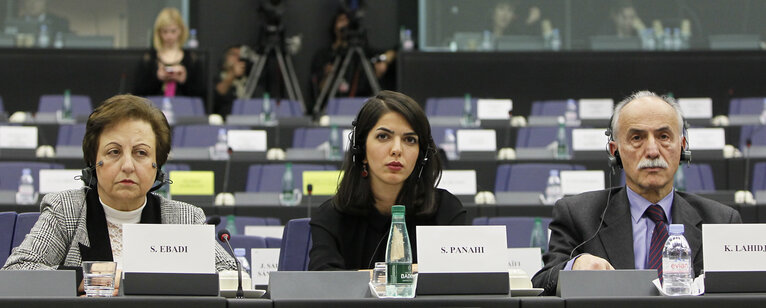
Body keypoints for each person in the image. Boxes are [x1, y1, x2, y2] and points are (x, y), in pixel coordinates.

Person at [2, 95, 236, 292]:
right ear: (95, 161)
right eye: (114, 152)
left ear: (157, 165)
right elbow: (16, 271)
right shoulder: (67, 210)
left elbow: (232, 276)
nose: (128, 165)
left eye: (141, 153)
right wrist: (91, 277)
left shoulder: (184, 218)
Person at [531, 91, 742, 295]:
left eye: (664, 136)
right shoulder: (577, 215)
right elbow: (541, 283)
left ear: (682, 147)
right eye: (637, 138)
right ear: (615, 152)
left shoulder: (720, 221)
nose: (652, 151)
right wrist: (573, 267)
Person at [309, 91, 466, 271]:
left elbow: (457, 279)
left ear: (421, 155)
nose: (397, 150)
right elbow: (322, 284)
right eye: (383, 136)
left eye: (409, 140)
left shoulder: (446, 210)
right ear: (361, 150)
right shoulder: (331, 216)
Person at [310, 9, 396, 111]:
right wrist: (329, 75)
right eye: (341, 21)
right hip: (332, 109)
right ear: (334, 25)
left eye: (348, 21)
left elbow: (392, 52)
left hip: (360, 107)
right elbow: (319, 90)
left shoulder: (362, 53)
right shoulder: (324, 55)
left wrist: (384, 61)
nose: (345, 25)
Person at [134, 7, 204, 99]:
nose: (169, 36)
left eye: (173, 31)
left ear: (181, 30)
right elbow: (138, 93)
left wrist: (184, 79)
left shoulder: (191, 59)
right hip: (154, 109)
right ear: (158, 32)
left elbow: (202, 95)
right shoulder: (149, 59)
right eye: (165, 31)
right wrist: (157, 77)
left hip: (184, 109)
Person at [213, 45, 248, 116]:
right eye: (234, 54)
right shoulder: (217, 78)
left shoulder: (248, 81)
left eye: (240, 55)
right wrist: (232, 73)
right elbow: (219, 92)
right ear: (225, 58)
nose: (238, 58)